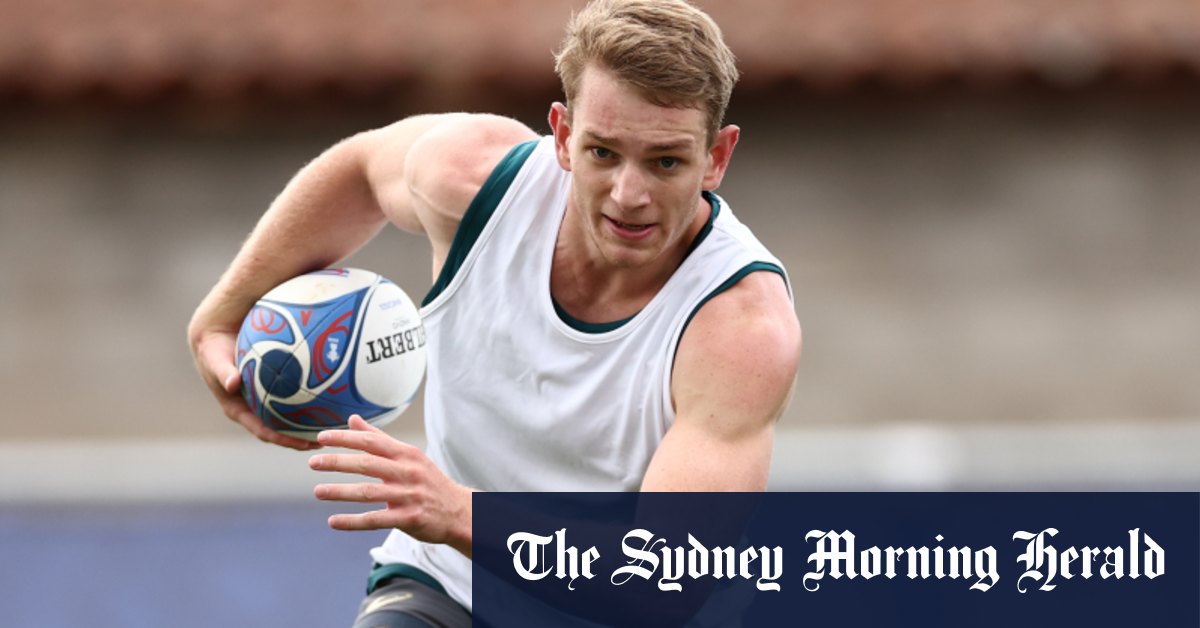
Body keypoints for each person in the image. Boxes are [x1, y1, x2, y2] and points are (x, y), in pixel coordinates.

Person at [187, 0, 800, 625]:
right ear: (562, 135)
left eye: (665, 161)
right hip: (448, 588)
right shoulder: (476, 181)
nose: (629, 194)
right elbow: (363, 170)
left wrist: (456, 512)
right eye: (602, 153)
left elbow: (664, 583)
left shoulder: (741, 329)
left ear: (716, 157)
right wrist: (221, 316)